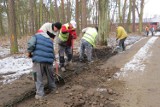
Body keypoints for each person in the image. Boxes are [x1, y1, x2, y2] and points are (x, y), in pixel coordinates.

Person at [27, 22, 62, 100]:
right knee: (50, 76)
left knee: (37, 76)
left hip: (38, 61)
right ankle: (53, 89)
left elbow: (31, 45)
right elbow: (52, 51)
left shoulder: (36, 36)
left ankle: (40, 94)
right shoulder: (49, 40)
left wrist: (29, 53)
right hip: (49, 61)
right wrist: (53, 59)